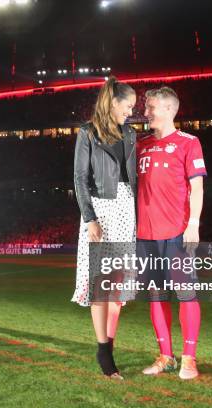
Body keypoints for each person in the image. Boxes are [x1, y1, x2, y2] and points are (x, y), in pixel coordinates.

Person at [136, 86, 206, 380]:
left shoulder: (189, 143)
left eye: (150, 107)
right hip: (145, 234)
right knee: (156, 295)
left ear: (168, 109)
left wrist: (193, 225)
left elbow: (198, 188)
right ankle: (166, 356)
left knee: (186, 293)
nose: (146, 112)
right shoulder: (139, 145)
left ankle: (189, 358)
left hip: (177, 232)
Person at [72, 76, 138, 379]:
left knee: (117, 287)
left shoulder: (132, 134)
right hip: (99, 210)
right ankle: (103, 350)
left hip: (126, 209)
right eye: (128, 106)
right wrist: (90, 219)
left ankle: (109, 343)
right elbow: (79, 179)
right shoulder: (86, 133)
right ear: (113, 102)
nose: (131, 111)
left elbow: (134, 178)